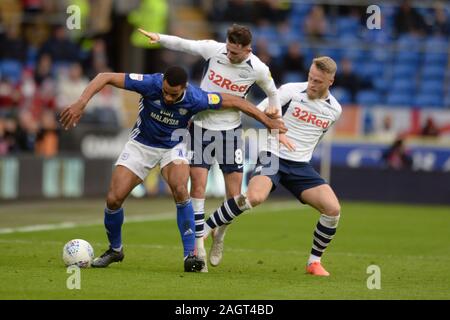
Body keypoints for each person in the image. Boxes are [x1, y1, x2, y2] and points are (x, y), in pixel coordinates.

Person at [59, 66, 288, 272]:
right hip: (142, 145)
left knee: (180, 189)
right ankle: (115, 249)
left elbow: (237, 101)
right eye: (165, 92)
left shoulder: (196, 97)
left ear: (184, 88)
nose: (168, 97)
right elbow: (104, 76)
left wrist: (266, 121)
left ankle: (190, 255)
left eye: (174, 94)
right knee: (113, 199)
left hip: (174, 145)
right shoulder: (150, 83)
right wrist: (81, 103)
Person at [138, 24, 282, 272]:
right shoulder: (214, 50)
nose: (230, 55)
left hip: (231, 132)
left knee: (235, 198)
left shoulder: (258, 68)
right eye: (228, 49)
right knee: (199, 188)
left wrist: (273, 109)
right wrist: (159, 37)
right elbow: (185, 43)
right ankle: (199, 250)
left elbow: (273, 92)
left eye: (235, 53)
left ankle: (220, 235)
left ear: (248, 49)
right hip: (201, 127)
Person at [203, 57, 343, 276]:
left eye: (318, 81)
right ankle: (207, 228)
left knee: (333, 209)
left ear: (330, 81)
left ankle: (314, 262)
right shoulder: (289, 91)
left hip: (300, 166)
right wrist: (272, 125)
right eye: (310, 78)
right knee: (255, 197)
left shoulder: (334, 110)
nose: (312, 84)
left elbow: (315, 137)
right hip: (273, 156)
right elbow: (257, 113)